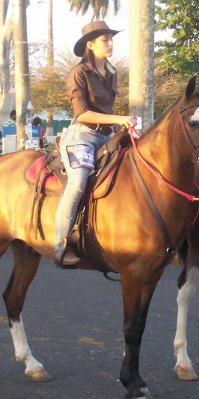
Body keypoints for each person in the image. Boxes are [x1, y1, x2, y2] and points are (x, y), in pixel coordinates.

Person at [53, 20, 136, 267]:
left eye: (111, 39)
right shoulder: (78, 73)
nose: (110, 43)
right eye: (105, 40)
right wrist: (119, 118)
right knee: (78, 181)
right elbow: (82, 114)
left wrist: (119, 125)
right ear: (91, 44)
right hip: (82, 136)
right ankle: (60, 245)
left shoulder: (112, 73)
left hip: (108, 136)